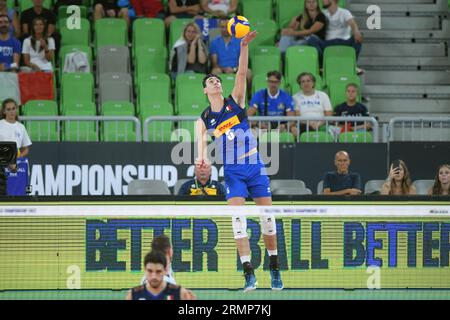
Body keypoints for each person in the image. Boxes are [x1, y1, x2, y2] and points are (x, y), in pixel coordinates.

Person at [196, 30, 283, 292]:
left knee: (268, 219)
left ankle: (275, 269)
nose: (215, 82)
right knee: (238, 221)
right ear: (205, 90)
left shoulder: (235, 102)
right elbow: (200, 141)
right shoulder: (205, 118)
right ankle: (248, 273)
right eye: (211, 81)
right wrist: (201, 159)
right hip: (233, 171)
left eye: (217, 80)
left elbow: (242, 74)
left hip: (255, 166)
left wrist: (243, 46)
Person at [307, 0, 363, 69]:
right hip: (327, 44)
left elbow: (352, 23)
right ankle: (322, 66)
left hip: (344, 42)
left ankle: (352, 65)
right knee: (311, 39)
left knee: (360, 37)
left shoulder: (344, 12)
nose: (322, 1)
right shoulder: (322, 13)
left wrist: (356, 32)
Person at [126, 250, 195, 300]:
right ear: (145, 270)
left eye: (158, 271)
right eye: (150, 271)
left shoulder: (180, 293)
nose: (154, 276)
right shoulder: (133, 295)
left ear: (165, 271)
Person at [209, 18, 251, 85]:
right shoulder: (214, 42)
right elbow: (214, 63)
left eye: (227, 27)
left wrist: (234, 69)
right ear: (219, 28)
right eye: (222, 27)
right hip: (221, 69)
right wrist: (224, 69)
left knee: (248, 73)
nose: (224, 29)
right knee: (215, 71)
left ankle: (248, 94)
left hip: (237, 69)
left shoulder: (240, 41)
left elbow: (244, 61)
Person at [292, 72, 333, 137]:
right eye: (303, 81)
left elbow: (328, 115)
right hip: (303, 125)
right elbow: (297, 116)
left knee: (328, 131)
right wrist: (309, 124)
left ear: (313, 83)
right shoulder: (295, 97)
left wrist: (319, 124)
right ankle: (274, 147)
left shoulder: (323, 95)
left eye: (308, 81)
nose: (306, 83)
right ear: (300, 84)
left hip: (322, 124)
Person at [0, 99, 32, 173]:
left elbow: (26, 149)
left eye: (13, 108)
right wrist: (6, 159)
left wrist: (16, 159)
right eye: (8, 109)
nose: (11, 111)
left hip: (15, 164)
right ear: (4, 111)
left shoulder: (21, 127)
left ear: (16, 109)